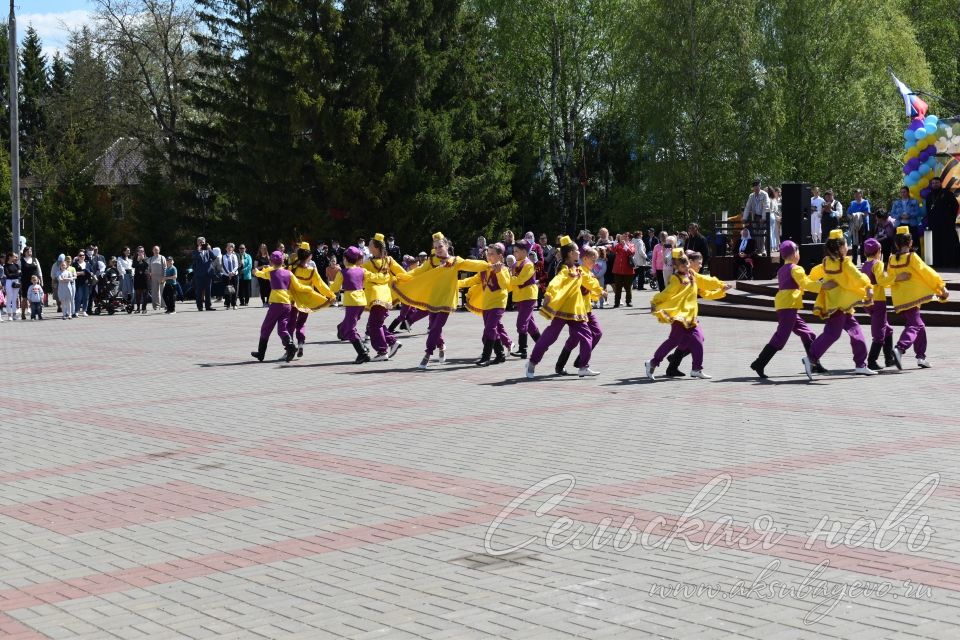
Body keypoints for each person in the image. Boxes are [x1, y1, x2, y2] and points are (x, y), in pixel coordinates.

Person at [392, 232, 490, 369]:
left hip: (447, 299)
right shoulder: (431, 261)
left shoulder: (455, 261)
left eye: (440, 246)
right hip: (433, 298)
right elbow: (417, 272)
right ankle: (442, 346)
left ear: (447, 246)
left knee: (436, 327)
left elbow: (471, 264)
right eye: (436, 247)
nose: (438, 249)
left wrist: (488, 264)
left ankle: (427, 354)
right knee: (433, 327)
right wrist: (402, 276)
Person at [645, 249, 729, 380]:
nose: (686, 267)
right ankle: (653, 362)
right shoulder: (676, 279)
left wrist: (721, 287)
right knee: (674, 341)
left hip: (690, 316)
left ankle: (696, 368)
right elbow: (667, 293)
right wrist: (655, 301)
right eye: (683, 266)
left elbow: (707, 283)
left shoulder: (692, 275)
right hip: (680, 315)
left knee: (698, 338)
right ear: (676, 266)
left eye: (687, 265)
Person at [802, 229, 875, 379]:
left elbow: (812, 275)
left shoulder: (826, 262)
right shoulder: (846, 263)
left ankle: (861, 364)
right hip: (841, 306)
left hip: (838, 304)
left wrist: (814, 284)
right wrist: (868, 287)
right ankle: (811, 357)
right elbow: (859, 277)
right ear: (841, 248)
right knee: (832, 334)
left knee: (855, 330)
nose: (847, 246)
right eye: (846, 244)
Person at [524, 236, 597, 379]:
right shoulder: (564, 270)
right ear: (570, 253)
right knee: (550, 337)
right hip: (563, 309)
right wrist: (549, 294)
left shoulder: (576, 269)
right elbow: (555, 282)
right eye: (576, 251)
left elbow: (588, 281)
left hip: (576, 311)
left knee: (587, 336)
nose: (579, 253)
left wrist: (599, 291)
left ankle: (583, 367)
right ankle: (532, 362)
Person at [748, 241, 823, 379]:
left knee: (808, 333)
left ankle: (815, 364)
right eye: (798, 252)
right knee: (781, 337)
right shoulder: (796, 268)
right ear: (795, 254)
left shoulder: (782, 269)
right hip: (789, 306)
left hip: (787, 306)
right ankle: (759, 363)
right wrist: (823, 287)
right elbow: (806, 283)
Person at [888, 226, 949, 369]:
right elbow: (927, 273)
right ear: (910, 243)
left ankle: (921, 357)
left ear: (896, 243)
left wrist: (897, 278)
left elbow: (888, 278)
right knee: (916, 325)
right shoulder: (912, 257)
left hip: (900, 300)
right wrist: (941, 287)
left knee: (920, 326)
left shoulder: (891, 259)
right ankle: (900, 348)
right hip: (912, 298)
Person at [330, 246, 390, 364]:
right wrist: (387, 276)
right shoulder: (362, 270)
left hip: (352, 302)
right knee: (349, 327)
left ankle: (362, 353)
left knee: (349, 329)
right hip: (361, 302)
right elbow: (376, 277)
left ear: (345, 259)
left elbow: (335, 288)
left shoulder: (342, 273)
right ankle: (363, 349)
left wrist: (327, 289)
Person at [251, 251, 311, 362]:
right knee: (282, 329)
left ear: (271, 262)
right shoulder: (289, 273)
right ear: (283, 260)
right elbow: (299, 286)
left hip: (276, 304)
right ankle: (291, 346)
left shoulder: (271, 272)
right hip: (287, 304)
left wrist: (256, 272)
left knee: (266, 328)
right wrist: (310, 289)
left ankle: (261, 353)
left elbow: (261, 274)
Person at [457, 243, 511, 366]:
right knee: (494, 329)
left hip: (498, 303)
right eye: (488, 253)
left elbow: (505, 285)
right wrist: (455, 284)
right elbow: (470, 281)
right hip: (486, 304)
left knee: (490, 329)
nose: (489, 256)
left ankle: (486, 357)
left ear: (500, 256)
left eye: (492, 254)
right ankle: (500, 355)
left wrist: (498, 272)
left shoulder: (503, 269)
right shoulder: (484, 269)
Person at [555, 246, 605, 375]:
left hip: (587, 310)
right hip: (577, 311)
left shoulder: (590, 272)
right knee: (574, 339)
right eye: (593, 260)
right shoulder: (580, 271)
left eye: (596, 260)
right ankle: (561, 366)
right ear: (584, 258)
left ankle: (580, 361)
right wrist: (600, 291)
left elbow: (590, 292)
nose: (595, 263)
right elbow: (590, 285)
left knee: (597, 333)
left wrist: (597, 295)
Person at [364, 234, 408, 361]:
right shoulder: (389, 260)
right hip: (386, 296)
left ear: (375, 248)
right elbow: (402, 273)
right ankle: (392, 342)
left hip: (376, 297)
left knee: (373, 325)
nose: (368, 246)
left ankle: (382, 351)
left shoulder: (369, 264)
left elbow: (357, 273)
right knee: (378, 323)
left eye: (370, 244)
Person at [288, 243, 336, 358]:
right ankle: (300, 343)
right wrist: (331, 295)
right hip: (307, 301)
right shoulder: (312, 271)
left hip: (293, 299)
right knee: (301, 323)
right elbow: (321, 285)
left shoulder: (292, 268)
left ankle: (289, 348)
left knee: (290, 323)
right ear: (309, 257)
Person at [860, 238, 896, 371]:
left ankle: (889, 358)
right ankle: (872, 360)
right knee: (879, 333)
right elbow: (881, 281)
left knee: (887, 329)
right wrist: (894, 278)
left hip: (867, 301)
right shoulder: (878, 264)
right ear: (879, 251)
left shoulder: (864, 265)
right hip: (878, 300)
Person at [508, 240, 541, 359]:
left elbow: (520, 280)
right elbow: (512, 282)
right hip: (520, 296)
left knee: (521, 323)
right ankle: (542, 344)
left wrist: (508, 278)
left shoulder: (528, 264)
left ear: (524, 251)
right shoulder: (515, 264)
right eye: (514, 251)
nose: (514, 253)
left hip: (528, 296)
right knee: (530, 323)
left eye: (516, 251)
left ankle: (523, 349)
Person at [924, 176, 960, 267]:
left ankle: (951, 263)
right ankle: (937, 262)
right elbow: (928, 210)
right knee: (936, 244)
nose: (935, 184)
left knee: (949, 244)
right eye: (933, 183)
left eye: (936, 183)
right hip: (934, 225)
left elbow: (955, 206)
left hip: (947, 224)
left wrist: (950, 218)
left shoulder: (947, 193)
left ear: (940, 183)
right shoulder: (929, 196)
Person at [611, 233, 636, 307]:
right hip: (618, 270)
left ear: (628, 238)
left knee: (628, 287)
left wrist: (625, 246)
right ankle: (616, 302)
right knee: (618, 287)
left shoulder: (631, 245)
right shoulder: (618, 245)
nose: (624, 238)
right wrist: (615, 242)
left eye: (626, 237)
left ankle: (629, 301)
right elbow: (613, 251)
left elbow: (631, 253)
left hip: (628, 270)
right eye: (623, 237)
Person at [847, 189, 871, 264]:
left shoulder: (865, 202)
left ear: (861, 194)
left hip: (863, 225)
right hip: (854, 226)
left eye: (858, 194)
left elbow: (866, 213)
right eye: (855, 194)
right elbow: (848, 213)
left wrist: (858, 215)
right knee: (854, 244)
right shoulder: (852, 203)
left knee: (863, 243)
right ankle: (854, 261)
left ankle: (863, 261)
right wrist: (852, 217)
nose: (857, 195)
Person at [192, 237, 216, 311]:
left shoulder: (208, 251)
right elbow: (194, 258)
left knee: (208, 291)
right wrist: (198, 250)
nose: (202, 243)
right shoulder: (195, 251)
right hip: (199, 275)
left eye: (203, 242)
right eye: (200, 242)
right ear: (197, 243)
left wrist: (209, 249)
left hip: (208, 274)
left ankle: (208, 306)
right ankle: (200, 306)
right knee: (199, 291)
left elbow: (214, 257)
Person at [18, 246, 42, 320]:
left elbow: (39, 270)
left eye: (31, 250)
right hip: (25, 281)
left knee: (36, 297)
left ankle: (37, 313)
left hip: (35, 282)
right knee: (25, 298)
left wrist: (41, 279)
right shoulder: (21, 260)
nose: (30, 252)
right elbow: (18, 270)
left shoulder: (35, 259)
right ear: (25, 252)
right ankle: (23, 314)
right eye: (28, 251)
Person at [72, 252, 92, 317]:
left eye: (83, 255)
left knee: (86, 297)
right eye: (80, 255)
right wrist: (81, 273)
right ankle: (76, 311)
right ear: (78, 256)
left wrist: (88, 274)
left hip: (86, 283)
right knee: (78, 297)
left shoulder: (88, 264)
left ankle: (84, 311)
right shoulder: (74, 264)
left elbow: (91, 272)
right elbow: (73, 273)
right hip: (78, 283)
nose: (82, 256)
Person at [221, 243, 240, 309]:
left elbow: (237, 265)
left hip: (234, 274)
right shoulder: (223, 256)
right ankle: (228, 304)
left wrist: (232, 272)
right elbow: (223, 265)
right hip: (226, 275)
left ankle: (234, 304)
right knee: (227, 290)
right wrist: (228, 273)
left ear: (232, 249)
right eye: (228, 247)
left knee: (235, 289)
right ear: (226, 248)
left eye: (231, 247)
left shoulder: (235, 255)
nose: (229, 248)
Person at [133, 246, 151, 314]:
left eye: (142, 251)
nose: (141, 252)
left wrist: (143, 259)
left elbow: (147, 265)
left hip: (144, 277)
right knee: (138, 293)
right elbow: (133, 266)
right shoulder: (135, 258)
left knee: (145, 293)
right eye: (140, 251)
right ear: (137, 252)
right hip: (137, 277)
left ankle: (144, 308)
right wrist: (137, 260)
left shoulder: (146, 258)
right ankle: (138, 308)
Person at [147, 246, 166, 310]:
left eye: (157, 250)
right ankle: (156, 306)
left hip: (161, 276)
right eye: (155, 249)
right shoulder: (150, 259)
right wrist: (149, 274)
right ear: (152, 250)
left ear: (159, 250)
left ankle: (164, 305)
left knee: (162, 291)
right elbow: (148, 268)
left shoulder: (162, 257)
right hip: (153, 277)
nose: (156, 251)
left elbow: (165, 268)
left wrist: (164, 276)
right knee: (155, 292)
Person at [2, 253, 20, 320]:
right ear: (10, 257)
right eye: (14, 257)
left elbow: (19, 274)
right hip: (9, 282)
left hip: (16, 282)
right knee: (9, 298)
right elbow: (8, 275)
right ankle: (9, 315)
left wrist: (15, 274)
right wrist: (16, 274)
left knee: (14, 299)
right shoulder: (5, 266)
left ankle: (14, 315)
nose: (15, 258)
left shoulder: (16, 265)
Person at [767, 186, 781, 251]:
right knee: (774, 232)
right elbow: (776, 209)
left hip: (769, 215)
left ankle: (771, 247)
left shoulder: (768, 199)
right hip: (773, 216)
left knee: (770, 232)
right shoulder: (774, 199)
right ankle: (774, 247)